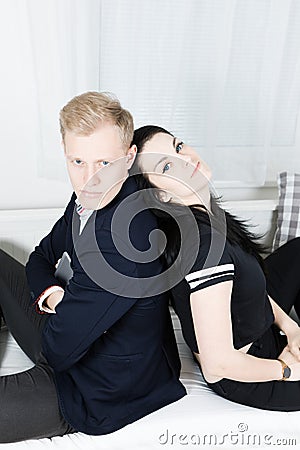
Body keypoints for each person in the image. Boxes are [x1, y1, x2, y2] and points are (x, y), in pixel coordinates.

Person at [0, 95, 186, 443]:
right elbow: (41, 256)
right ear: (64, 150)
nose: (89, 178)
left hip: (104, 385)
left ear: (128, 157)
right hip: (69, 332)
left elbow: (55, 350)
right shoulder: (89, 197)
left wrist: (65, 311)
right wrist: (56, 297)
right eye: (78, 161)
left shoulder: (127, 242)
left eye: (105, 162)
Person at [131, 124, 300, 412]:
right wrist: (284, 369)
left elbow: (248, 284)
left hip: (255, 322)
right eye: (169, 165)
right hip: (250, 370)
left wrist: (291, 328)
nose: (187, 159)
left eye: (179, 146)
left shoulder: (205, 216)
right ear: (160, 196)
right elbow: (216, 366)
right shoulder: (203, 248)